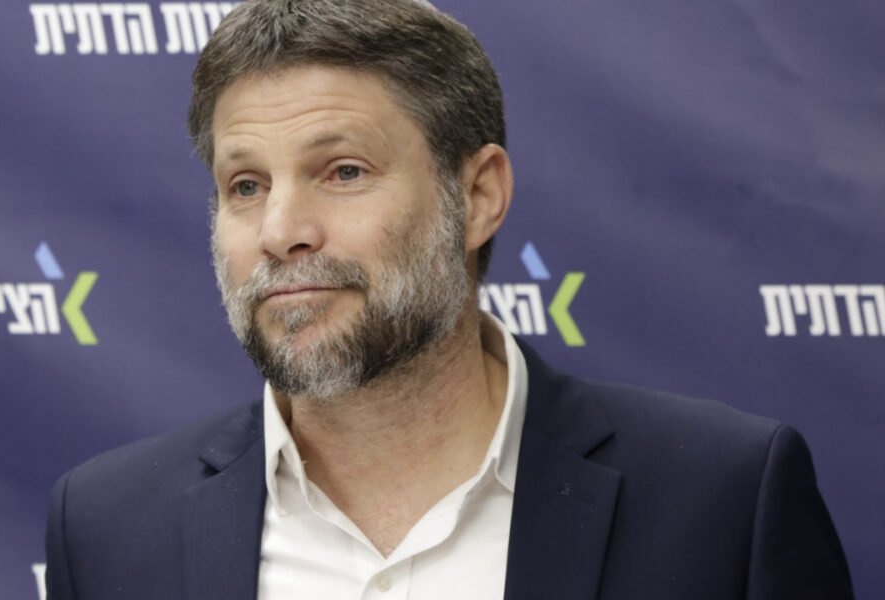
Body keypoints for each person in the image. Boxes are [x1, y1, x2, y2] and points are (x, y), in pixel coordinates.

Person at [44, 1, 853, 598]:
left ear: (478, 196)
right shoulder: (107, 527)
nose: (281, 231)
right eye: (245, 185)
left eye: (344, 171)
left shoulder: (723, 502)